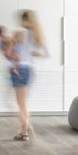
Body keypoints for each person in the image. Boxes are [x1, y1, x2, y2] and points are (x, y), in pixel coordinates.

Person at [11, 9, 47, 141]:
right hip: (30, 70)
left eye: (21, 19)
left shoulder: (20, 33)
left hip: (19, 69)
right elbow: (33, 53)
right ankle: (24, 131)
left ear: (24, 20)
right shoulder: (35, 35)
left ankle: (26, 131)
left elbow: (13, 53)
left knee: (20, 104)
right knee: (24, 103)